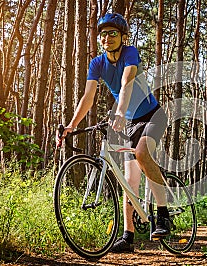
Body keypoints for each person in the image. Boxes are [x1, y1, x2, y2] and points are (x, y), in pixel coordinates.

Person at [57, 13, 170, 253]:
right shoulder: (97, 63)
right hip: (129, 122)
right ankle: (128, 236)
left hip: (152, 116)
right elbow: (88, 98)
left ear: (123, 37)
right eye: (103, 34)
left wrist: (119, 111)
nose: (107, 38)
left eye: (113, 33)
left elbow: (127, 82)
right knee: (129, 182)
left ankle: (163, 215)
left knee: (142, 153)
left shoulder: (130, 53)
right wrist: (71, 125)